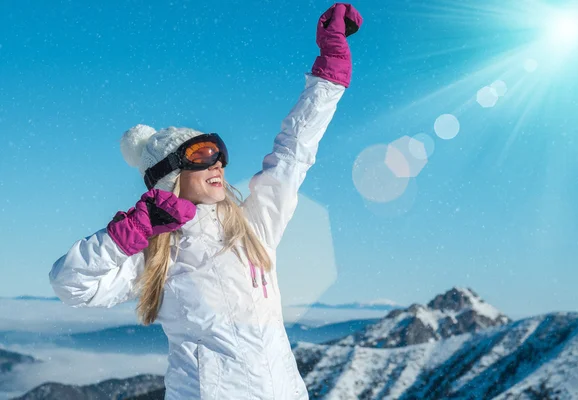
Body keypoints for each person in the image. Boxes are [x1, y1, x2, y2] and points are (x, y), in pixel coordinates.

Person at [49, 3, 362, 399]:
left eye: (218, 152)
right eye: (200, 156)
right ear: (171, 175)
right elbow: (69, 284)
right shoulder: (155, 253)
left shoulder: (253, 228)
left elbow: (293, 152)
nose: (217, 163)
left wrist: (328, 75)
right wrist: (127, 234)